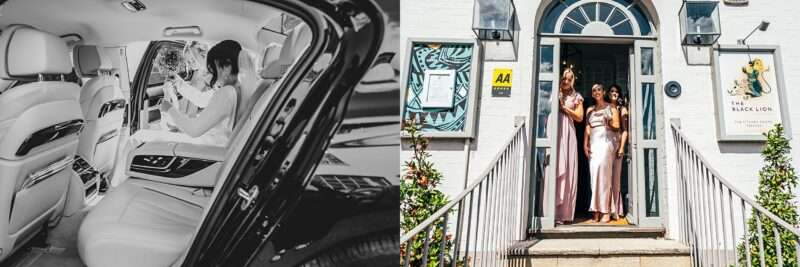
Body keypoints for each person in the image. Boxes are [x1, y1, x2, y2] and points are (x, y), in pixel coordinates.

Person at [159, 40, 249, 146]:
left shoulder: (227, 93)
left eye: (214, 69)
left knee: (140, 136)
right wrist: (178, 82)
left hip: (210, 146)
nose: (211, 73)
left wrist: (169, 109)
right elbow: (202, 100)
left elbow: (194, 130)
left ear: (227, 67)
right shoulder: (237, 87)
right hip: (214, 141)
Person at [584, 83, 620, 223]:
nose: (596, 92)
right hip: (593, 143)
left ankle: (606, 210)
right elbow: (588, 127)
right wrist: (585, 144)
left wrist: (609, 122)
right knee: (594, 176)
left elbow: (617, 127)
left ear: (603, 92)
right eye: (594, 90)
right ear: (592, 94)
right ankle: (596, 211)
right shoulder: (590, 110)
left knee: (604, 176)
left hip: (606, 142)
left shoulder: (611, 107)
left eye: (599, 89)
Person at [554, 68, 584, 224]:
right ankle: (550, 212)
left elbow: (579, 117)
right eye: (564, 78)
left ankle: (564, 213)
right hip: (553, 130)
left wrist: (564, 108)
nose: (566, 81)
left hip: (568, 131)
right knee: (552, 165)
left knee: (568, 167)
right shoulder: (552, 89)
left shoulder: (576, 96)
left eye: (570, 78)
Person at [608, 84, 628, 220]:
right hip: (604, 143)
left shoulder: (622, 109)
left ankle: (615, 208)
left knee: (615, 178)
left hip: (617, 143)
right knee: (605, 178)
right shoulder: (605, 107)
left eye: (616, 91)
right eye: (612, 91)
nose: (614, 93)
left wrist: (621, 147)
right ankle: (605, 208)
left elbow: (625, 130)